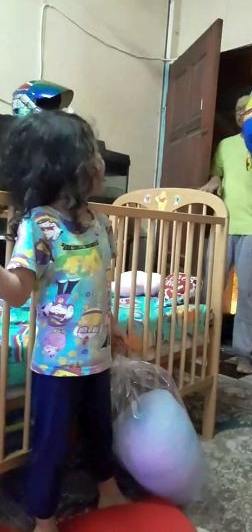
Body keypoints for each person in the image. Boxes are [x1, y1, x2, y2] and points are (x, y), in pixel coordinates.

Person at [0, 111, 129, 532]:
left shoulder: (101, 224)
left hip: (98, 356)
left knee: (100, 429)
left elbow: (99, 284)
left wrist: (112, 325)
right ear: (62, 166)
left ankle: (108, 490)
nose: (101, 162)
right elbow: (17, 292)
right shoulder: (39, 225)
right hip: (56, 364)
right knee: (52, 445)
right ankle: (44, 518)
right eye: (92, 153)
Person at [201, 94, 252, 374]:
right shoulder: (225, 145)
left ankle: (244, 354)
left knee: (249, 294)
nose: (241, 113)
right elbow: (218, 174)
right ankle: (202, 344)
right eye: (238, 109)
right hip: (223, 224)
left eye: (247, 109)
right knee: (209, 288)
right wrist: (211, 184)